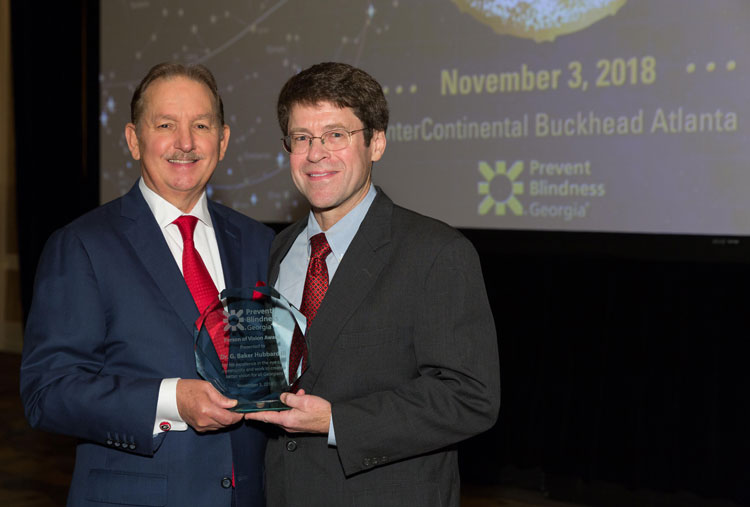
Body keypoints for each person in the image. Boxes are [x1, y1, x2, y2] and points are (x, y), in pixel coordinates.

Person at [245, 62, 500, 507]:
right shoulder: (276, 252)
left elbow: (469, 398)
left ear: (376, 142)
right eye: (302, 138)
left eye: (336, 135)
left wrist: (336, 421)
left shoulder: (436, 253)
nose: (315, 153)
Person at [20, 62, 273, 506]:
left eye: (200, 124)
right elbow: (47, 392)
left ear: (224, 140)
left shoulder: (258, 242)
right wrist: (171, 399)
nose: (185, 143)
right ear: (134, 140)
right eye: (165, 125)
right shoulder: (82, 245)